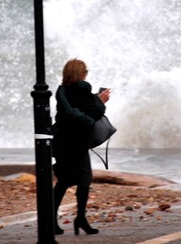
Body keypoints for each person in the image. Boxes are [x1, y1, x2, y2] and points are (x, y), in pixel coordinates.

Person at [52, 58, 110, 235]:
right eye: (85, 72)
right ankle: (80, 219)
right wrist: (101, 100)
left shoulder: (62, 90)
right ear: (80, 73)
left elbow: (74, 111)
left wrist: (96, 101)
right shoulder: (83, 90)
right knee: (84, 179)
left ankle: (52, 219)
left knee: (65, 180)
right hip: (75, 142)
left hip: (61, 141)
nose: (86, 75)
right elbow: (95, 112)